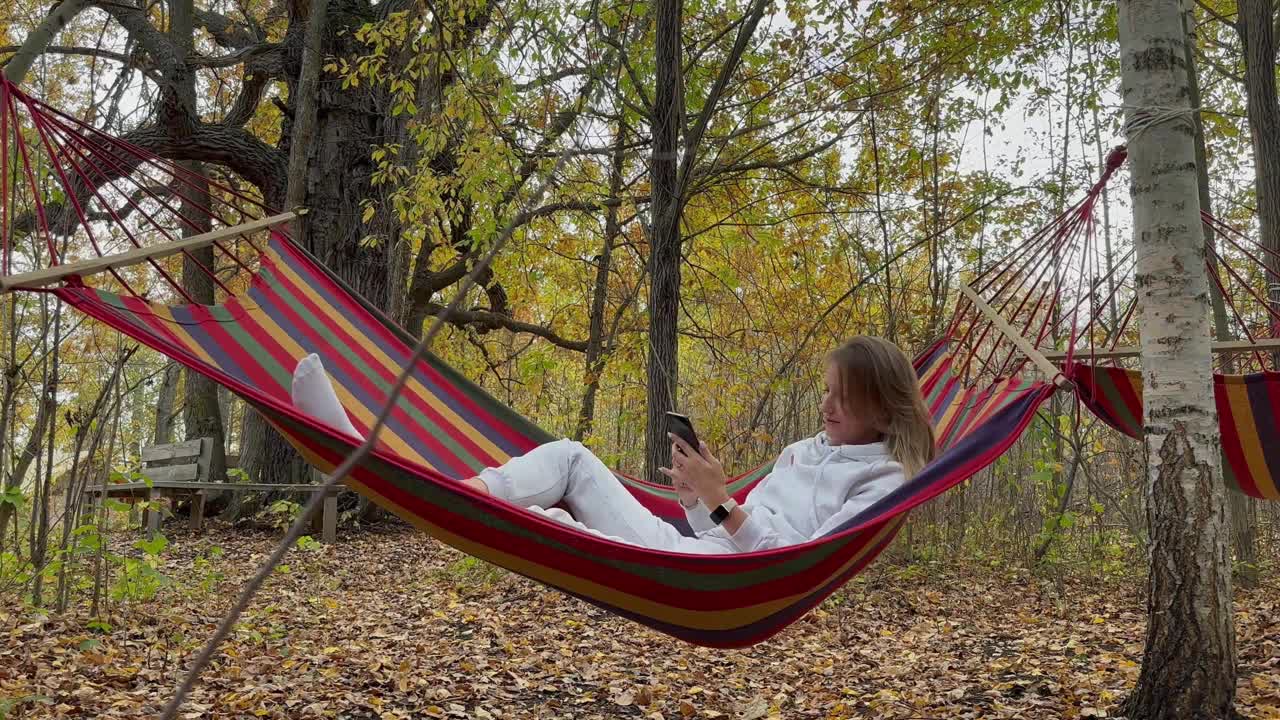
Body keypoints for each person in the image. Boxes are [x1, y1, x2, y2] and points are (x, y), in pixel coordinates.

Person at [290, 336, 936, 554]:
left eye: (841, 398)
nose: (825, 407)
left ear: (883, 403)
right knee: (569, 457)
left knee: (555, 526)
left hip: (722, 580)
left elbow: (787, 558)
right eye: (824, 392)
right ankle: (447, 493)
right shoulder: (803, 450)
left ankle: (446, 498)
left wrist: (723, 503)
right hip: (696, 552)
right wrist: (695, 498)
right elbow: (728, 528)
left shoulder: (883, 480)